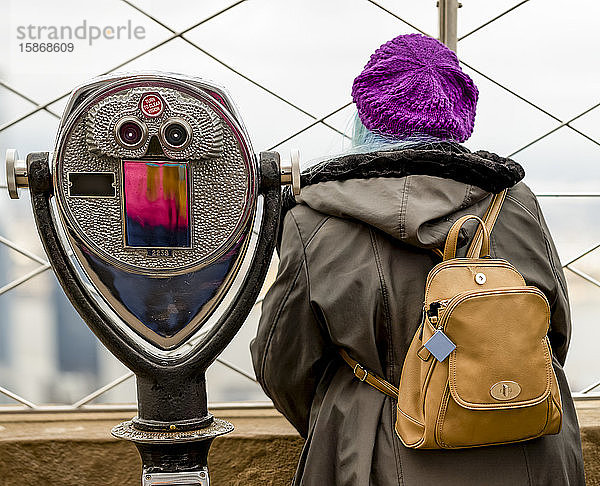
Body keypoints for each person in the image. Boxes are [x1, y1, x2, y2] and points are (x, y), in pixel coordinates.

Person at [250, 33, 585, 485]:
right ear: (457, 118)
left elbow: (283, 360)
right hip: (531, 448)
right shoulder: (516, 203)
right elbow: (553, 330)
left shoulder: (312, 222)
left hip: (373, 451)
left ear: (366, 113)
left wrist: (350, 410)